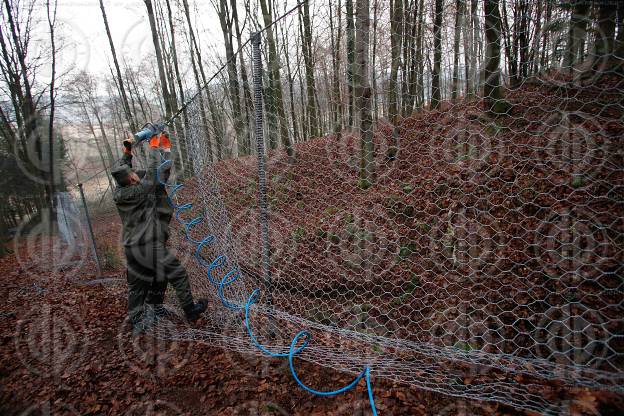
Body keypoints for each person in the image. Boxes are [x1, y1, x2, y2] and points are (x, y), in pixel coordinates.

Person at [111, 129, 206, 334]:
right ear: (130, 179)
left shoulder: (120, 189)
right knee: (176, 273)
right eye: (132, 173)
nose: (135, 172)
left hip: (132, 246)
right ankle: (190, 310)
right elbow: (155, 172)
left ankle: (145, 315)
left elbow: (126, 168)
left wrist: (130, 151)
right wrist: (154, 147)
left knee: (146, 280)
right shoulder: (138, 190)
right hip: (147, 245)